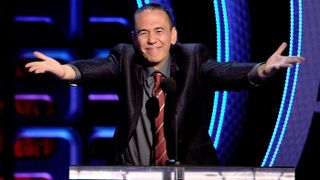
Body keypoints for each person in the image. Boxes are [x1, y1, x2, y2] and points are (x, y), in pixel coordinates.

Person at [25, 3, 304, 166]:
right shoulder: (124, 58)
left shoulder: (193, 57)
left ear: (173, 36)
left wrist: (261, 71)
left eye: (159, 31)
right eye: (144, 33)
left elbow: (223, 72)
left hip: (191, 171)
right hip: (133, 171)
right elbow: (94, 69)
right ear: (134, 38)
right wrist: (66, 71)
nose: (152, 40)